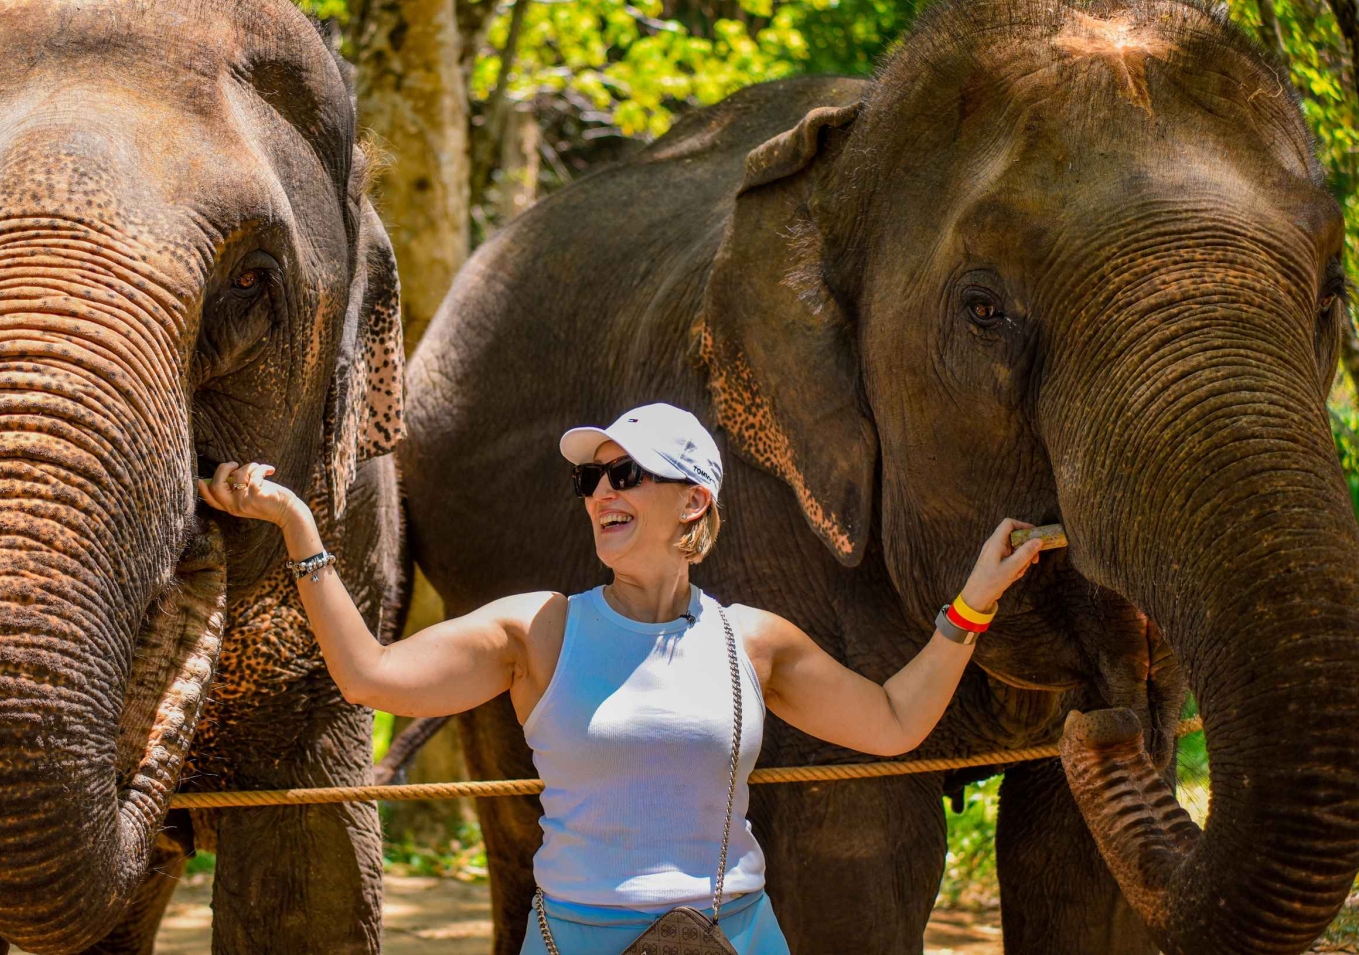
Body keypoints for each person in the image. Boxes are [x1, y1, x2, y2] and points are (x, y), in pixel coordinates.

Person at [198, 402, 1045, 954]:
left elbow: (895, 720)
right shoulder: (535, 628)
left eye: (626, 473)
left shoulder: (751, 641)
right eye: (591, 477)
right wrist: (297, 529)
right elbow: (370, 677)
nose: (600, 489)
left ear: (695, 502)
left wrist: (973, 601)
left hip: (736, 939)